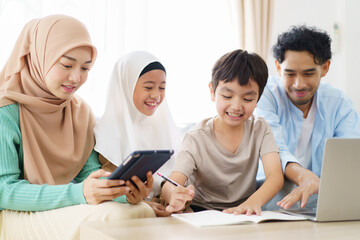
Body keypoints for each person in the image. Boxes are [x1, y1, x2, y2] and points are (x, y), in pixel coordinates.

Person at [0, 15, 154, 239]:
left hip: (60, 207)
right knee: (113, 219)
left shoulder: (79, 112)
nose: (76, 77)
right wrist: (78, 193)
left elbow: (88, 174)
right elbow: (4, 190)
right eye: (67, 64)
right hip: (14, 213)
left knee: (142, 210)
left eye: (85, 68)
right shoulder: (6, 111)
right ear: (39, 57)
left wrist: (125, 192)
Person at [161, 49, 284, 215]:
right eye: (227, 96)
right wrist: (173, 194)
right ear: (212, 91)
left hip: (243, 211)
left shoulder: (260, 129)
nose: (236, 106)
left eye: (247, 99)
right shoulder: (196, 137)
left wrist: (252, 203)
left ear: (258, 99)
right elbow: (172, 183)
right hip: (201, 211)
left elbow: (275, 177)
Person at [255, 25, 360, 210]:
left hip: (323, 202)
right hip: (271, 202)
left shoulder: (339, 103)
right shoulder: (265, 96)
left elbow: (351, 158)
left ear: (325, 67)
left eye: (308, 73)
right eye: (290, 73)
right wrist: (305, 177)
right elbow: (274, 149)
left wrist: (316, 183)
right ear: (278, 68)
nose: (299, 84)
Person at [94, 50, 181, 217]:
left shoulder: (164, 126)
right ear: (126, 85)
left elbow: (173, 177)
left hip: (169, 208)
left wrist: (177, 195)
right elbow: (110, 188)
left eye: (162, 87)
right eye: (148, 87)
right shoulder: (107, 130)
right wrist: (145, 205)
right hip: (127, 210)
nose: (156, 95)